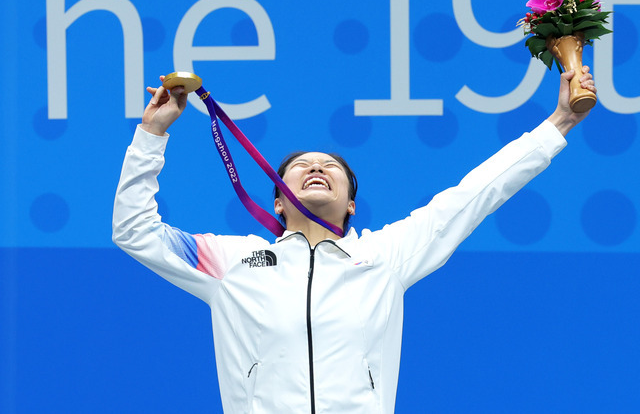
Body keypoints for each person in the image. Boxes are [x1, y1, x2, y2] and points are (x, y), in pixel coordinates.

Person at [113, 69, 596, 413]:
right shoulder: (231, 261)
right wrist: (151, 134)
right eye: (301, 166)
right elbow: (135, 230)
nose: (317, 168)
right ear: (279, 202)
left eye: (331, 168)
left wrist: (558, 125)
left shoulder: (384, 255)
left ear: (350, 206)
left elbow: (475, 194)